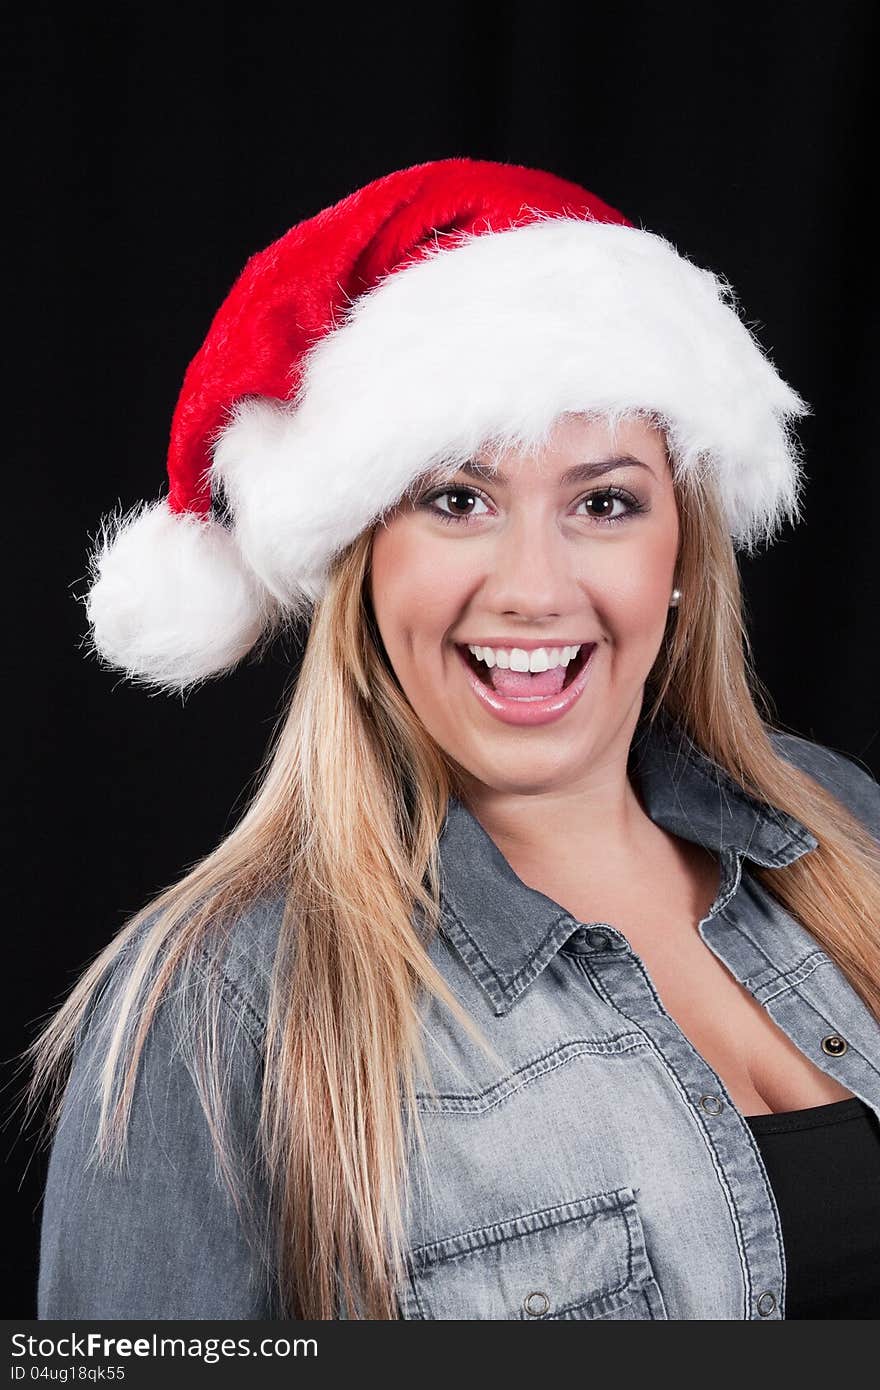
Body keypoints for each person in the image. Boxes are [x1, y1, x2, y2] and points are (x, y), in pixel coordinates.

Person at [25, 158, 880, 1321]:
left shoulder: (837, 831)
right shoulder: (218, 1007)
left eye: (605, 501)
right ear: (362, 555)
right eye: (457, 499)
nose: (532, 589)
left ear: (680, 556)